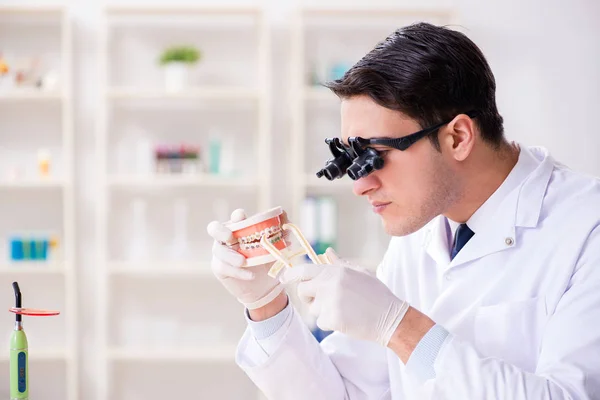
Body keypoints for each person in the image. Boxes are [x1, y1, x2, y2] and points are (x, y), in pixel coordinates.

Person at [207, 22, 600, 399]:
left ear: (458, 137)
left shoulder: (586, 229)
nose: (360, 185)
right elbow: (345, 394)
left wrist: (401, 328)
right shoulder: (422, 228)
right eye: (350, 160)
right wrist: (265, 305)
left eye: (375, 156)